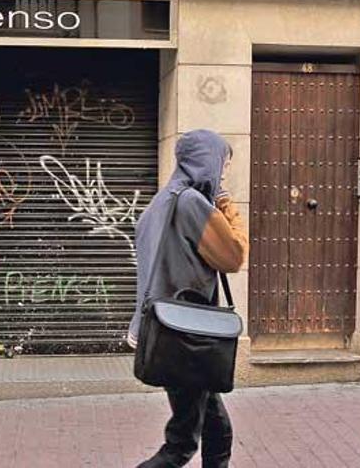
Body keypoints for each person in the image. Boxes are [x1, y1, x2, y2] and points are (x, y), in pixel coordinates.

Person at [127, 129, 249, 468]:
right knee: (181, 445)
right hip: (188, 338)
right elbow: (235, 255)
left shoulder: (162, 202)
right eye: (223, 163)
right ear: (206, 161)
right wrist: (225, 204)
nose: (223, 172)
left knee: (217, 429)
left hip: (168, 334)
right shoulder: (192, 203)